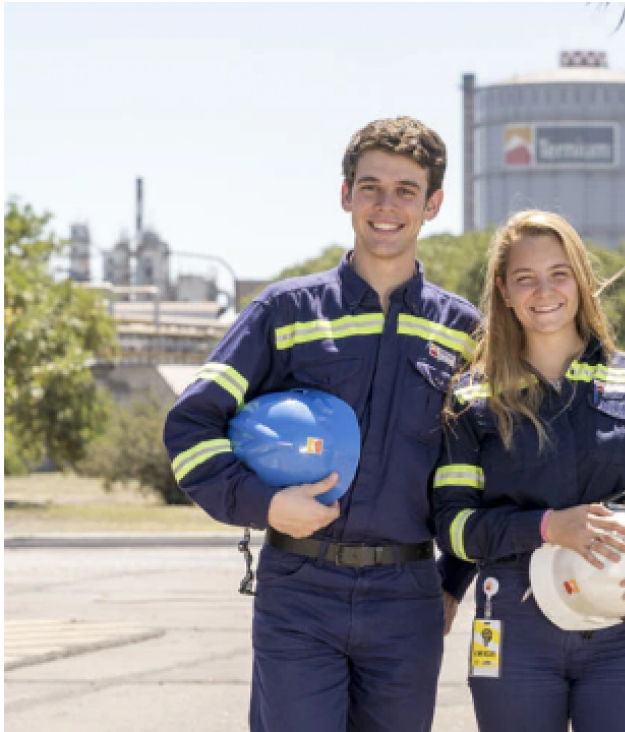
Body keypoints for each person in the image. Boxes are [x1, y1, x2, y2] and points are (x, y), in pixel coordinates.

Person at [163, 117, 479, 732]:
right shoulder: (284, 312)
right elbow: (190, 427)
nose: (386, 205)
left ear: (433, 204)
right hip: (300, 590)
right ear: (345, 195)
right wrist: (266, 503)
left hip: (408, 595)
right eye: (370, 187)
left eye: (406, 190)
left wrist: (451, 581)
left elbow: (483, 470)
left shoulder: (463, 331)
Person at [433, 210, 625, 732]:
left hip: (622, 626)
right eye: (525, 278)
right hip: (512, 627)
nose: (544, 291)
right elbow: (453, 527)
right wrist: (545, 527)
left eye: (559, 273)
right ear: (503, 290)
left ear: (581, 279)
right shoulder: (471, 395)